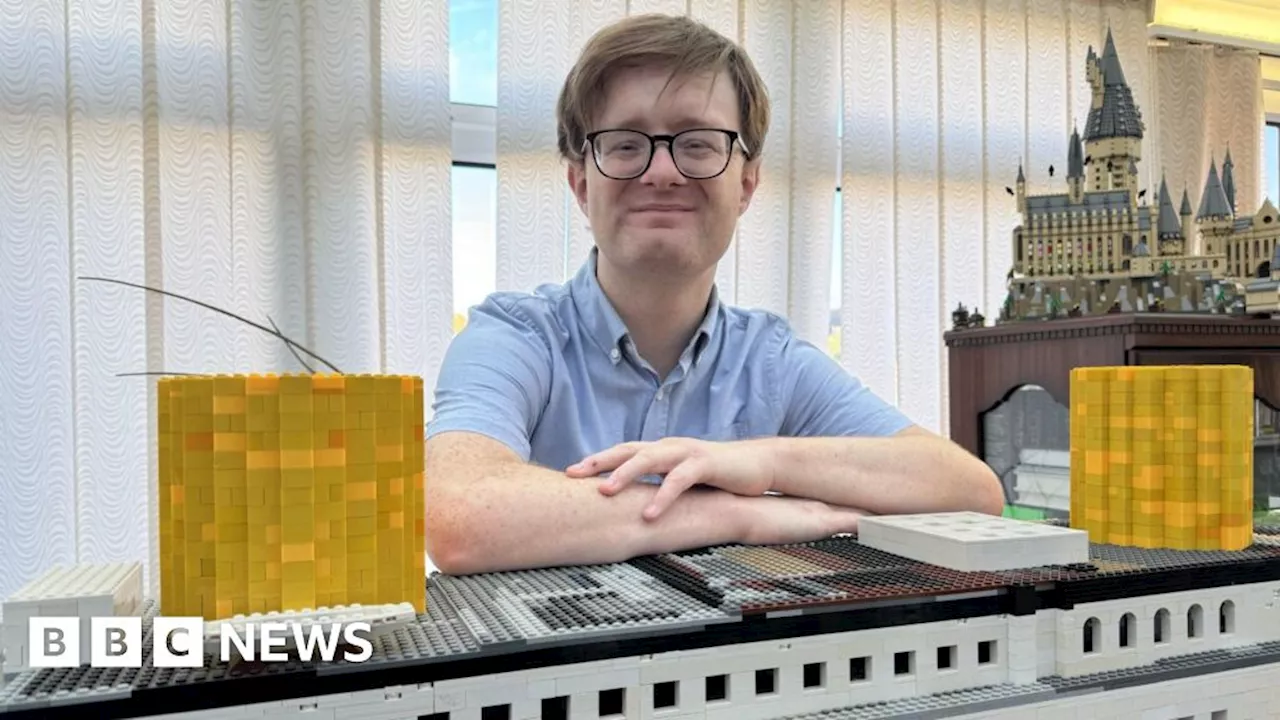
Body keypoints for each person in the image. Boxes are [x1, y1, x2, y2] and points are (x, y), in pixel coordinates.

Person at [423, 14, 1003, 575]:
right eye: (626, 144)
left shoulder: (770, 359)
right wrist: (735, 513)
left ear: (745, 183)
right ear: (581, 182)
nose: (662, 172)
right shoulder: (515, 336)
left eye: (697, 144)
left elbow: (969, 491)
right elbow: (460, 514)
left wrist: (758, 460)